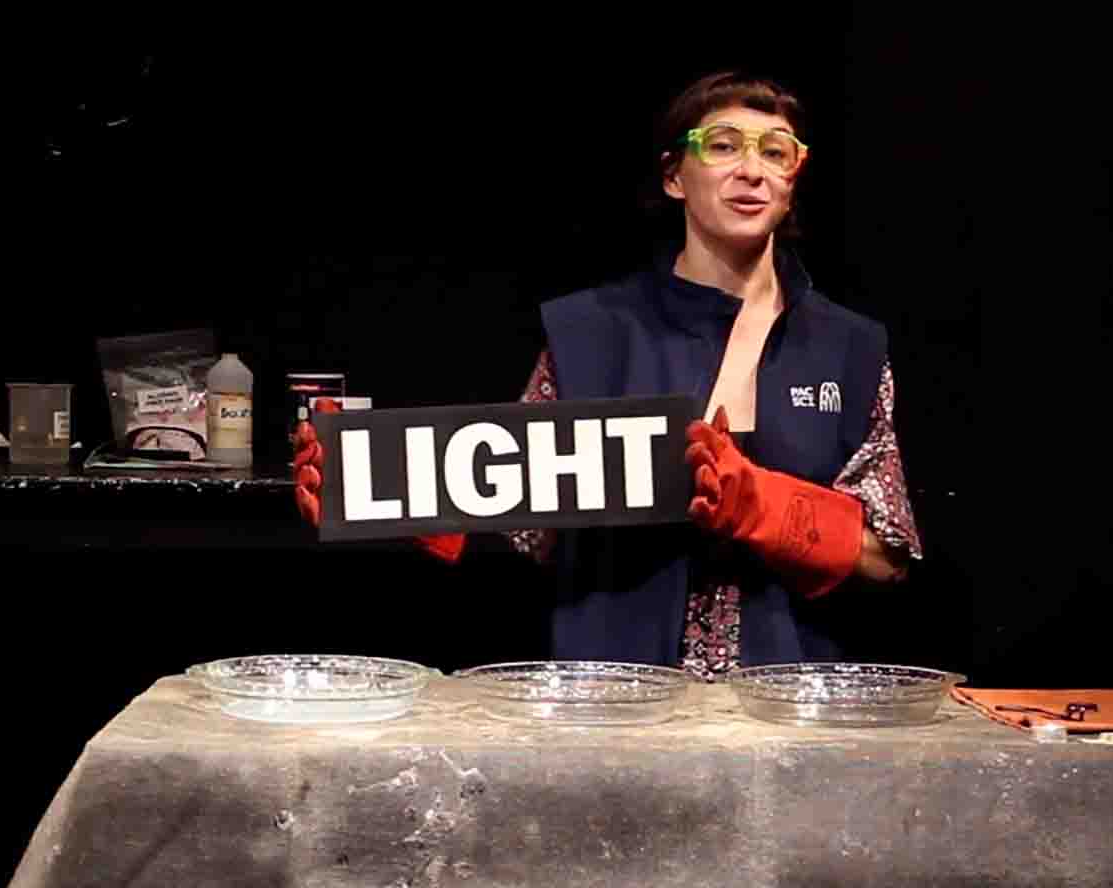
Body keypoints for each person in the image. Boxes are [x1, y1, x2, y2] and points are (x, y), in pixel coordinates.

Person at [294, 71, 920, 679]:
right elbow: (525, 529)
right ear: (675, 176)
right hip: (616, 703)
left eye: (775, 152)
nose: (751, 169)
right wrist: (390, 490)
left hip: (784, 708)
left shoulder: (848, 347)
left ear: (792, 179)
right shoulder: (589, 332)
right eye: (723, 146)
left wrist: (761, 504)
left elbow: (887, 558)